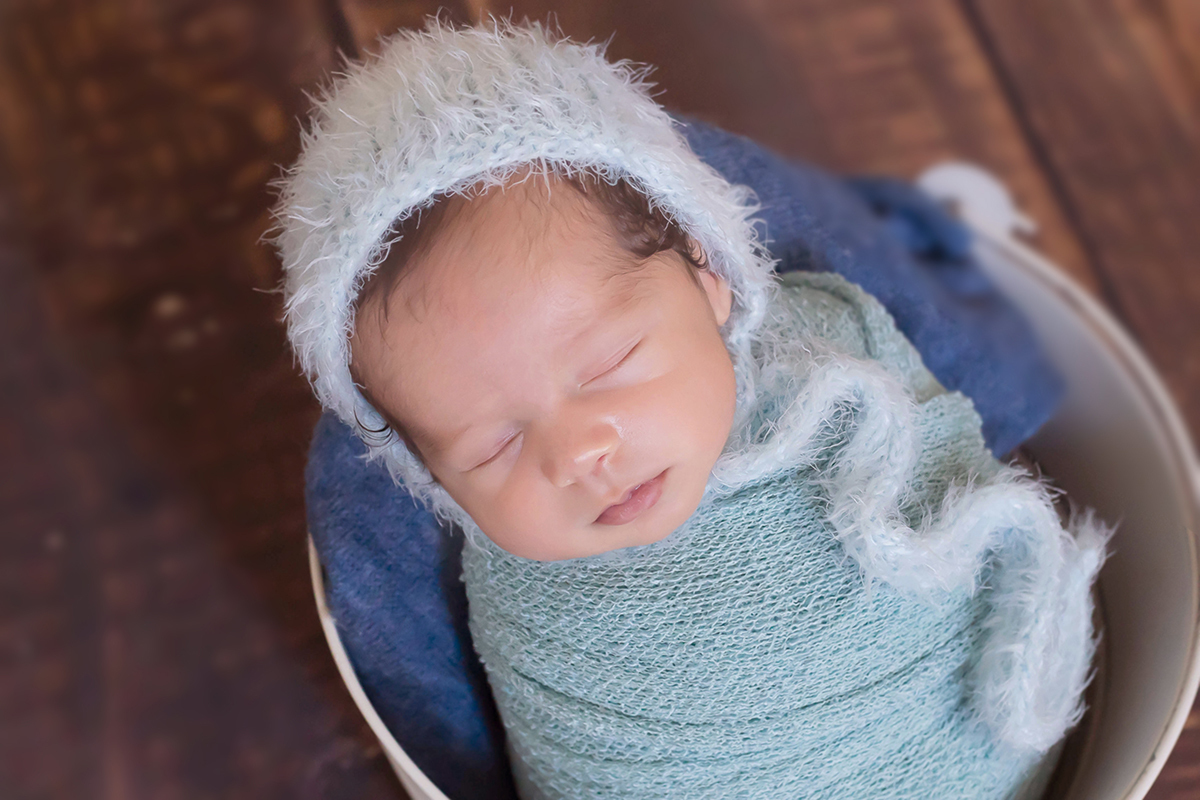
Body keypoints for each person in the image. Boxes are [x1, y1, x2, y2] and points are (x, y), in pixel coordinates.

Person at [277, 19, 1109, 799]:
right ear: (430, 479)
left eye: (609, 364)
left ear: (708, 277)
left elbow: (963, 456)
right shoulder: (496, 579)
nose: (578, 453)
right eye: (494, 447)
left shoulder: (837, 346)